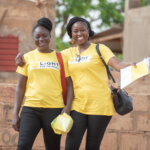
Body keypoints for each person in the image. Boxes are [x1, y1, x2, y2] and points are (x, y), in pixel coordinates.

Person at [15, 17, 136, 150]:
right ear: (71, 34)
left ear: (88, 31)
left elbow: (117, 64)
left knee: (92, 146)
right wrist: (22, 57)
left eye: (82, 30)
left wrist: (130, 65)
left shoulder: (99, 49)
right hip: (77, 106)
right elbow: (45, 55)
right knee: (71, 146)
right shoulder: (66, 54)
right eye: (75, 31)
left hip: (100, 105)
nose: (79, 34)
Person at [12, 17, 73, 150]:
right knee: (22, 146)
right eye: (37, 36)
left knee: (52, 147)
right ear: (33, 38)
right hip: (30, 109)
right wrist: (15, 114)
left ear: (50, 36)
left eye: (44, 35)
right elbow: (20, 87)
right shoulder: (26, 58)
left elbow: (69, 85)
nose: (41, 39)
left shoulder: (61, 57)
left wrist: (67, 108)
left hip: (54, 110)